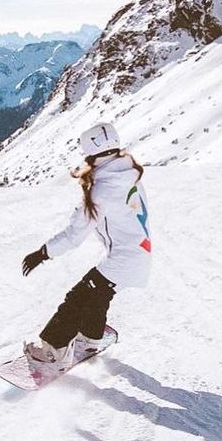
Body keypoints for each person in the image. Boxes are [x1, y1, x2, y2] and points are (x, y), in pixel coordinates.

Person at [20, 122, 152, 369]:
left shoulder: (103, 189)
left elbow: (74, 236)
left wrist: (42, 253)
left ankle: (52, 351)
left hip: (124, 258)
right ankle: (90, 338)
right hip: (138, 252)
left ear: (89, 152)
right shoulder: (129, 174)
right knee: (98, 293)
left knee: (78, 298)